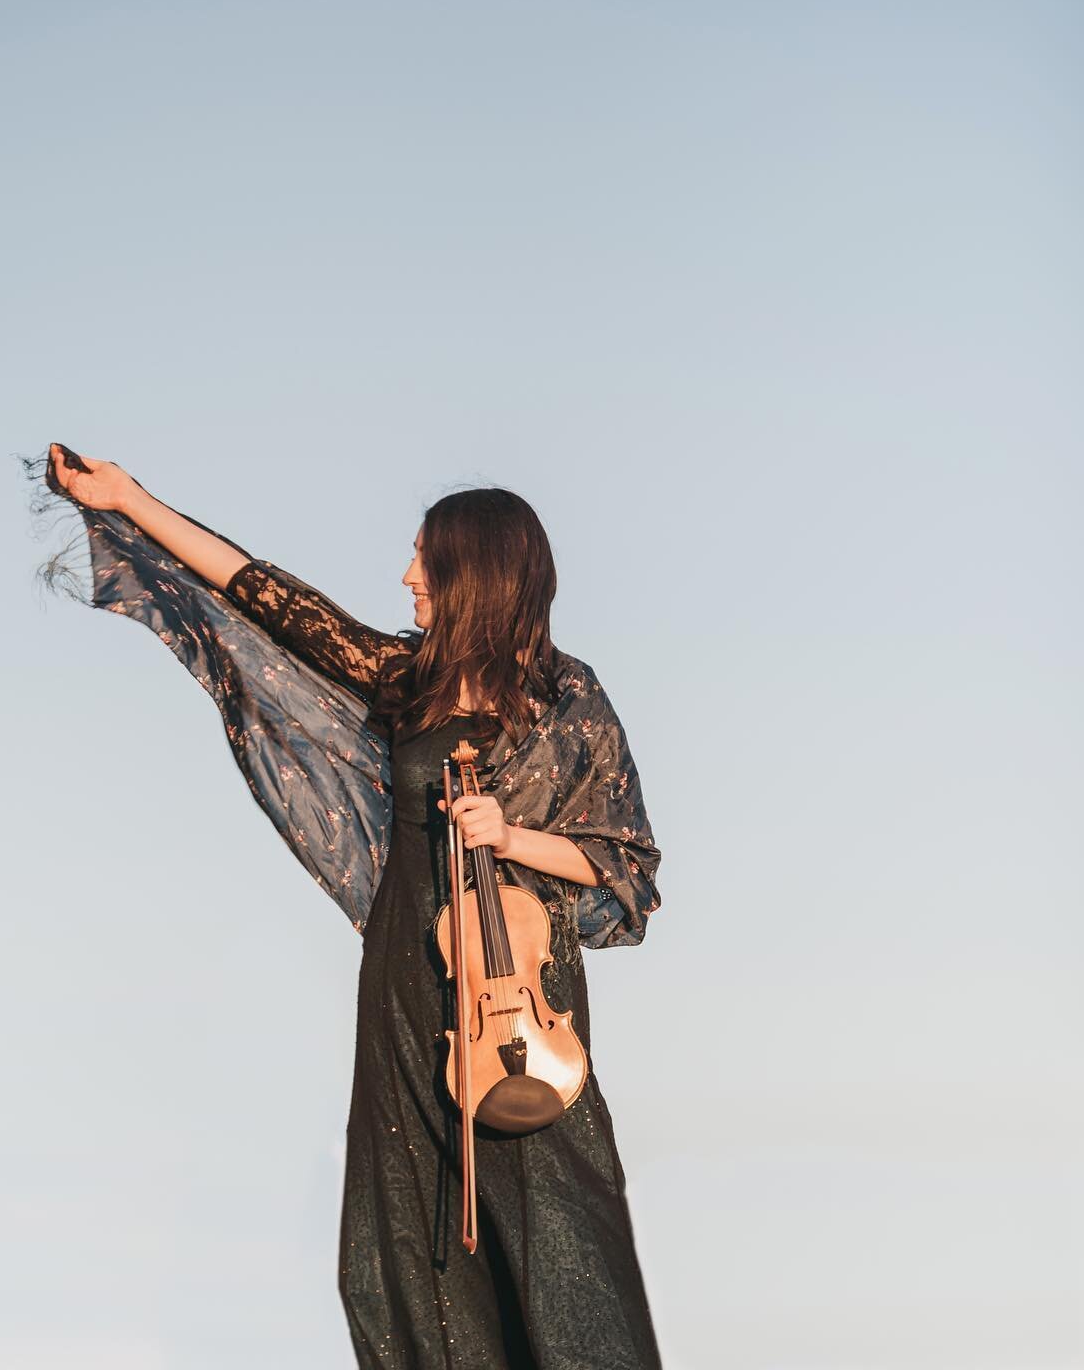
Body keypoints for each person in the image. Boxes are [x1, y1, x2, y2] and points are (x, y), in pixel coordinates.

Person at [34, 443, 665, 1369]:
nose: (408, 575)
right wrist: (130, 499)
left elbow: (626, 868)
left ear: (478, 576)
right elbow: (268, 595)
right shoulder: (404, 681)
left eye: (426, 560)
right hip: (411, 986)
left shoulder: (564, 701)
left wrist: (509, 835)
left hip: (517, 996)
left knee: (560, 1233)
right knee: (398, 1241)